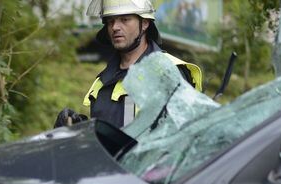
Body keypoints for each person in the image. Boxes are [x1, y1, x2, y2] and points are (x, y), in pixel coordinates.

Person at [55, 0, 202, 129]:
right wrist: (77, 127)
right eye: (111, 21)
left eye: (124, 19)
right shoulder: (102, 82)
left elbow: (183, 137)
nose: (115, 27)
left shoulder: (168, 72)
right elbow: (110, 134)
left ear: (144, 23)